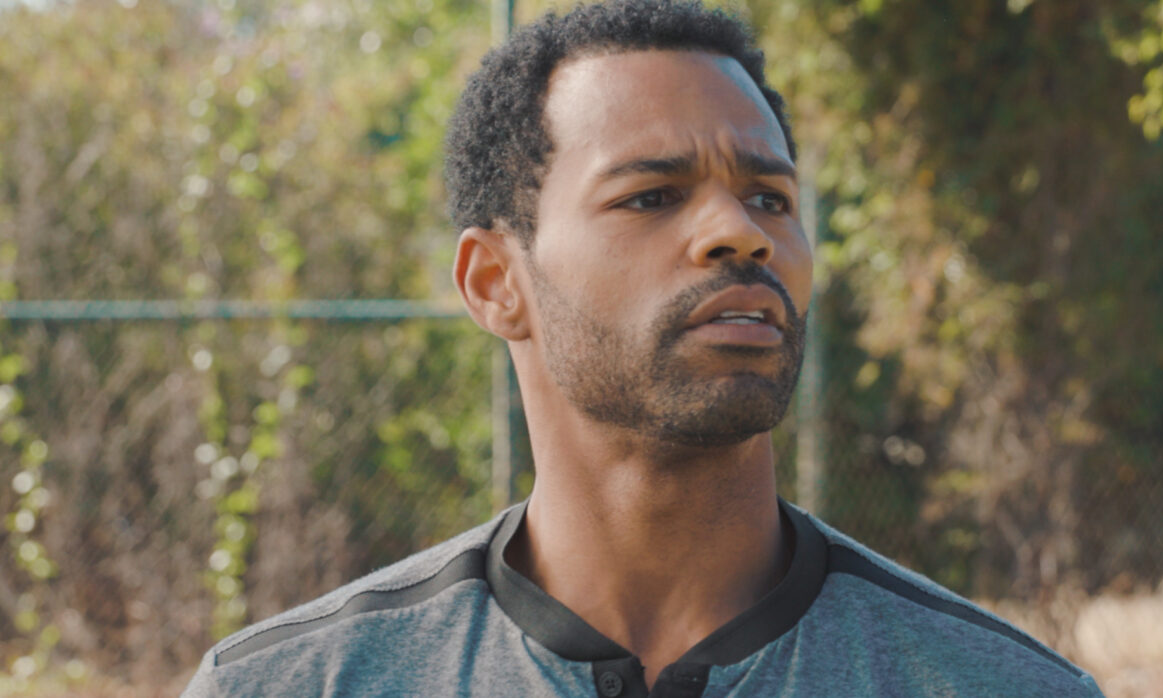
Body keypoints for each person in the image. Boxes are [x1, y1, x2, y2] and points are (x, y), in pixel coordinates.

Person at [184, 1, 1103, 695]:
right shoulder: (300, 684)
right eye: (651, 195)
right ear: (495, 282)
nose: (737, 233)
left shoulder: (997, 685)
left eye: (771, 198)